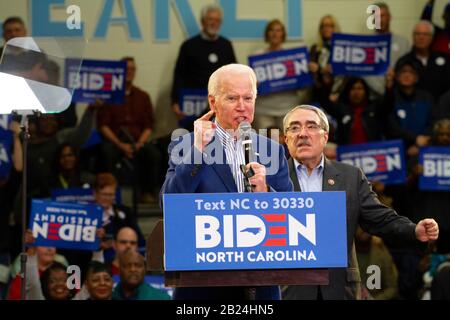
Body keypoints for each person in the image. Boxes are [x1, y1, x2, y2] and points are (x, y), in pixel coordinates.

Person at [161, 63, 293, 300]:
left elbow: (292, 216)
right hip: (204, 285)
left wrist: (265, 191)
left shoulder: (273, 150)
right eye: (232, 98)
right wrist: (198, 150)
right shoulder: (186, 146)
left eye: (248, 98)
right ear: (213, 103)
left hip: (261, 284)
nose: (242, 107)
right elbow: (168, 203)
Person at [281, 104, 439, 300]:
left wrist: (414, 230)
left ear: (325, 136)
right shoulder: (271, 180)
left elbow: (380, 218)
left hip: (340, 289)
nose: (303, 133)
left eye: (311, 126)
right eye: (294, 127)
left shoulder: (350, 176)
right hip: (291, 290)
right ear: (286, 139)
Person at [97, 56, 161, 204]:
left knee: (154, 154)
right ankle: (113, 194)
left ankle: (147, 193)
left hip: (137, 141)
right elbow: (103, 125)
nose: (130, 72)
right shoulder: (108, 95)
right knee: (106, 153)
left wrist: (139, 143)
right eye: (127, 69)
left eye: (133, 69)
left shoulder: (143, 96)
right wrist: (120, 145)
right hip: (115, 141)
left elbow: (149, 125)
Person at [171, 4, 236, 131]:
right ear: (202, 21)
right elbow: (179, 74)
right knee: (193, 141)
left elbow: (233, 75)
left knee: (219, 142)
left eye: (217, 20)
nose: (214, 23)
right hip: (193, 104)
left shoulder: (226, 45)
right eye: (210, 19)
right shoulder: (189, 45)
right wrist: (174, 101)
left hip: (220, 105)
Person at [252, 19, 305, 131]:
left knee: (289, 145)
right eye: (272, 30)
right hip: (264, 110)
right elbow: (249, 85)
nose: (275, 33)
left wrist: (306, 73)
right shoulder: (257, 57)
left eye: (278, 30)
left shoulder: (293, 57)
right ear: (267, 34)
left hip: (288, 108)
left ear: (283, 34)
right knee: (266, 146)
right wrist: (253, 83)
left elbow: (303, 85)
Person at [364, 2, 410, 99]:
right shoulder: (365, 44)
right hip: (374, 97)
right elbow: (365, 72)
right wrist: (383, 90)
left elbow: (408, 68)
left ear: (389, 17)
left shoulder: (403, 43)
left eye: (382, 16)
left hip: (400, 95)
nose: (379, 20)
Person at [396, 20, 450, 101]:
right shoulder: (404, 61)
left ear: (432, 37)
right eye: (417, 34)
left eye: (425, 34)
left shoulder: (445, 59)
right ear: (413, 36)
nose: (421, 37)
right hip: (414, 108)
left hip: (442, 108)